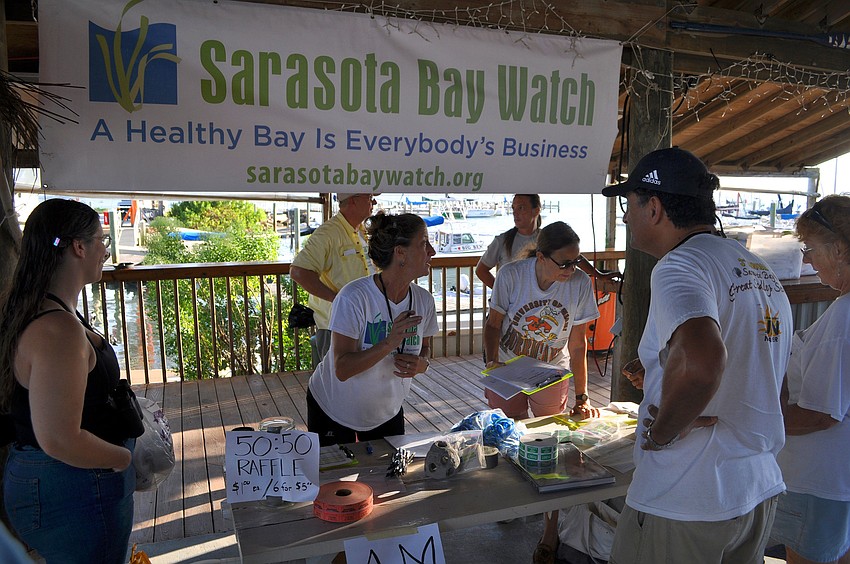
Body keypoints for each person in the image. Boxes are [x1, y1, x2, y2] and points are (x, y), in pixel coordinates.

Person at [601, 147, 793, 564]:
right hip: (755, 490)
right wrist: (664, 368)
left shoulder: (680, 266)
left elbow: (704, 361)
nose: (625, 216)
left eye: (628, 204)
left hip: (686, 496)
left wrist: (663, 431)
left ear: (653, 208)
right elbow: (774, 385)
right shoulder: (759, 270)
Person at [0, 199, 136, 563]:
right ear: (79, 246)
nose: (106, 250)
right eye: (101, 240)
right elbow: (59, 437)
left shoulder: (44, 309)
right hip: (73, 485)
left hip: (55, 481)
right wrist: (122, 458)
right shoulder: (57, 329)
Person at [306, 213, 438, 446]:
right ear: (401, 253)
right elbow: (342, 369)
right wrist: (389, 342)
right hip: (333, 408)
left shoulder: (424, 301)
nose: (432, 251)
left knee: (390, 478)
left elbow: (425, 349)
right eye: (424, 243)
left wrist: (422, 364)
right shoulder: (354, 298)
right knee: (336, 480)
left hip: (386, 410)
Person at [770, 195, 850, 564]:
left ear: (838, 250)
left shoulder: (842, 320)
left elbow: (821, 414)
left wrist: (760, 418)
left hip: (818, 483)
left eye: (811, 249)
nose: (807, 260)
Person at [483, 221, 601, 420]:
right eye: (564, 264)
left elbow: (578, 344)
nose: (571, 270)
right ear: (541, 257)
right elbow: (493, 324)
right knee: (509, 428)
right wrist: (493, 361)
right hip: (507, 365)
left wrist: (582, 397)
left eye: (576, 261)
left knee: (548, 430)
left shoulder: (580, 283)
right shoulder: (510, 275)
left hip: (551, 369)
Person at [290, 193, 377, 367]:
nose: (373, 201)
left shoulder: (360, 231)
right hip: (336, 326)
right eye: (369, 197)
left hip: (366, 321)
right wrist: (338, 300)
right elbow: (299, 272)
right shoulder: (328, 233)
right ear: (353, 200)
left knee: (363, 380)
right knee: (335, 384)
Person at [475, 194, 542, 289]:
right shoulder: (502, 240)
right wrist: (501, 292)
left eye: (521, 208)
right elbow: (481, 271)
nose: (515, 213)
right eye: (513, 208)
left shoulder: (547, 239)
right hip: (511, 303)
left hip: (539, 302)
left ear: (536, 211)